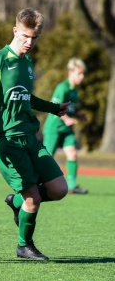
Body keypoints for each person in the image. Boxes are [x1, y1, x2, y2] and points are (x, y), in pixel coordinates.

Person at [0, 7, 70, 261]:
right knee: (33, 199)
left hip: (30, 138)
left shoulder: (28, 62)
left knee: (60, 188)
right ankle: (24, 245)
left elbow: (26, 97)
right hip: (7, 141)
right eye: (25, 37)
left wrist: (53, 109)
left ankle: (17, 202)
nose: (29, 43)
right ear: (15, 31)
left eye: (35, 38)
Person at [43, 58, 88, 194]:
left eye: (83, 74)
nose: (82, 76)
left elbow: (70, 109)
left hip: (66, 130)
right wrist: (67, 119)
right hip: (54, 128)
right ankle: (39, 183)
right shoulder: (62, 88)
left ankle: (72, 186)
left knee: (73, 154)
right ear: (70, 73)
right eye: (79, 73)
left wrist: (78, 115)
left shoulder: (75, 91)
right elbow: (55, 107)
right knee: (47, 157)